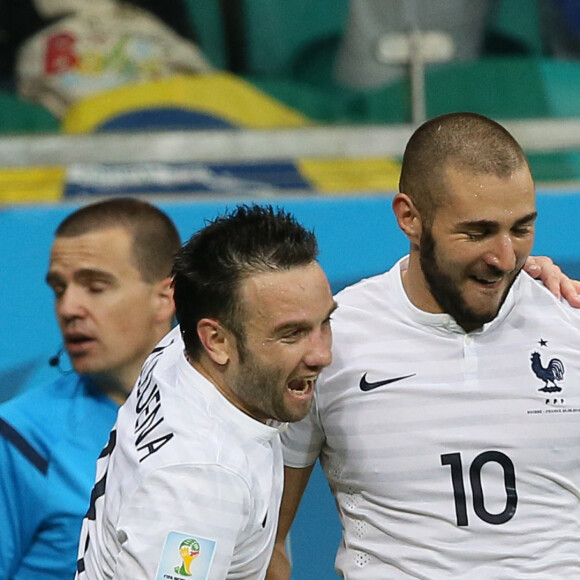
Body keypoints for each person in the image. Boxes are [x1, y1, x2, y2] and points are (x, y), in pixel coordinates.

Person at [268, 112, 580, 579]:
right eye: (476, 232)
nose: (503, 258)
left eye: (520, 230)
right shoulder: (330, 339)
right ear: (409, 218)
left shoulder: (569, 319)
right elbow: (264, 538)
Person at [75, 204, 337, 580]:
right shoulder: (201, 488)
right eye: (291, 334)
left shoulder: (177, 353)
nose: (322, 354)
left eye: (324, 321)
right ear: (216, 340)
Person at [0, 197, 181, 580]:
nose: (69, 308)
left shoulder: (233, 419)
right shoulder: (18, 438)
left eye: (95, 287)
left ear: (167, 297)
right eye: (59, 289)